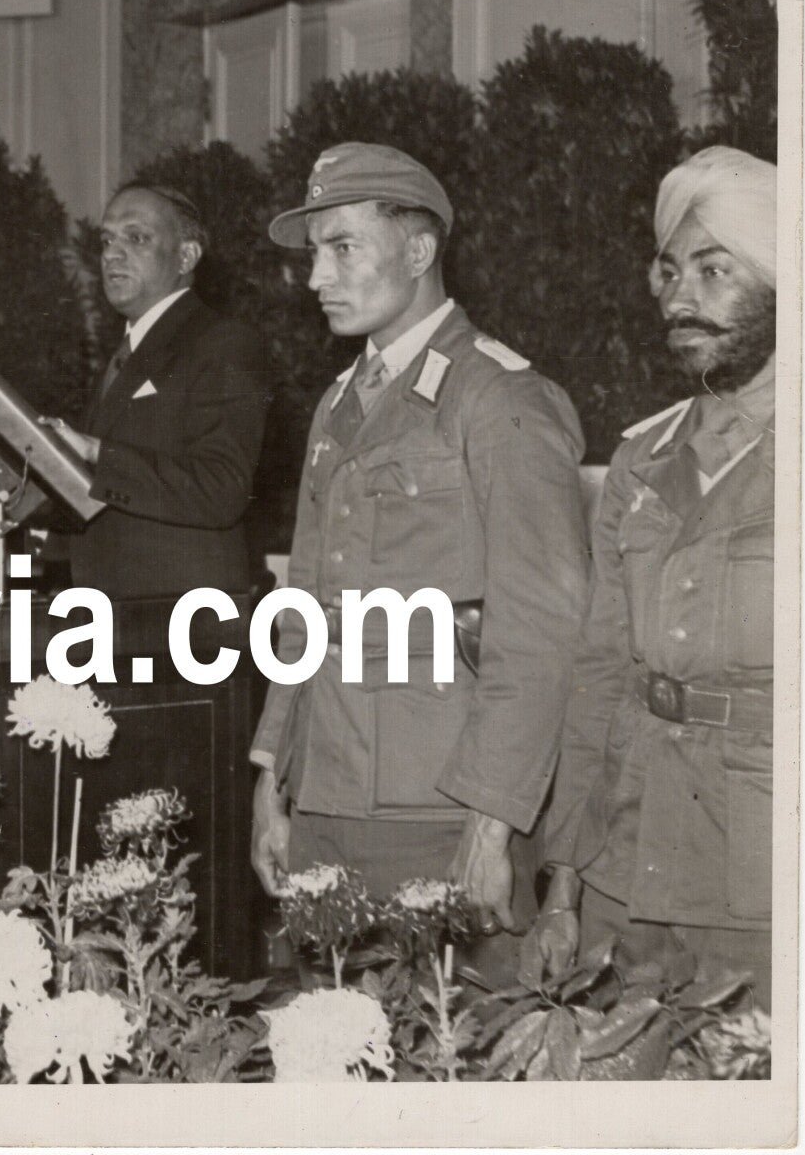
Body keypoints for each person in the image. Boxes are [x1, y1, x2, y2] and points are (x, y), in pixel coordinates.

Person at [247, 144, 589, 962]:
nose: (316, 277)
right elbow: (303, 611)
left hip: (439, 803)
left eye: (343, 248)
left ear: (419, 250)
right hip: (327, 793)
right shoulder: (339, 402)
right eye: (314, 253)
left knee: (446, 1028)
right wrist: (272, 778)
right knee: (331, 1023)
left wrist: (492, 823)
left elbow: (540, 633)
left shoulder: (498, 397)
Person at [525, 148, 778, 1007]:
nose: (678, 299)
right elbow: (601, 677)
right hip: (626, 867)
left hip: (764, 880)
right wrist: (563, 888)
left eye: (714, 271)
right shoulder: (643, 459)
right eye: (669, 271)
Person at [41, 183, 271, 601]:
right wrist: (19, 500)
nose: (112, 254)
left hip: (184, 619)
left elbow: (222, 488)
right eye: (106, 240)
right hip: (114, 612)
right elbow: (104, 493)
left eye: (136, 238)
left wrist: (96, 452)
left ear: (186, 256)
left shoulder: (224, 342)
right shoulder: (128, 350)